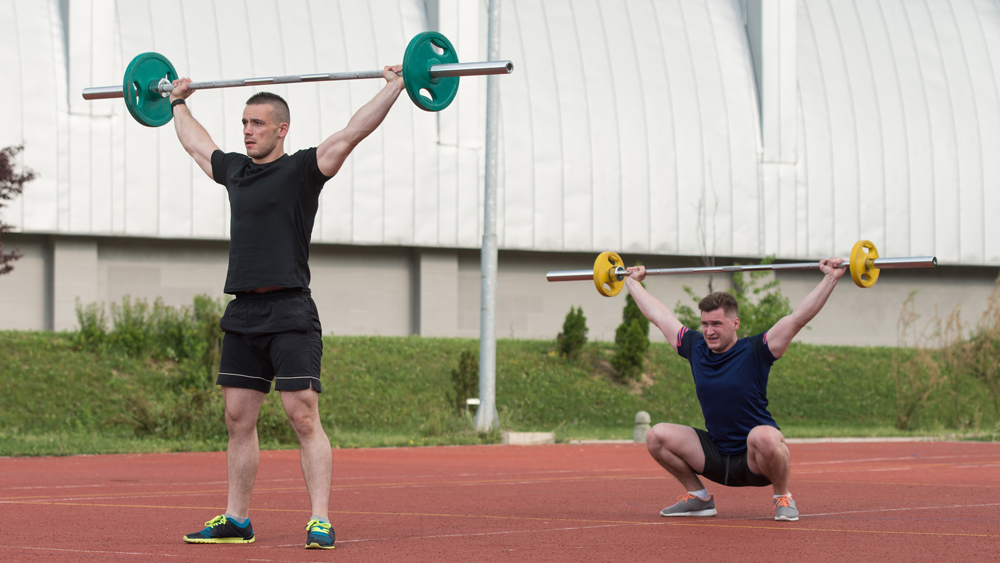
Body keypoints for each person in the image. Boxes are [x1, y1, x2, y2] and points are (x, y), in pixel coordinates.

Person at [168, 65, 406, 549]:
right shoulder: (234, 170)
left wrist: (397, 85)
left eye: (257, 123)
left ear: (281, 129)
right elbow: (196, 144)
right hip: (243, 313)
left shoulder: (302, 171)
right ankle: (237, 520)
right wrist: (176, 100)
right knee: (237, 418)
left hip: (291, 310)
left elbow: (353, 132)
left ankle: (319, 519)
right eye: (243, 123)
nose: (247, 131)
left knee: (301, 413)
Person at [624, 258, 847, 521]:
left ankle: (783, 496)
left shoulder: (757, 350)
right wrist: (631, 282)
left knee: (764, 436)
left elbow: (798, 317)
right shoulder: (695, 347)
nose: (709, 331)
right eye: (705, 324)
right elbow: (660, 316)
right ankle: (699, 498)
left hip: (756, 461)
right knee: (656, 436)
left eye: (717, 324)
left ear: (735, 323)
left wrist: (831, 277)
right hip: (716, 456)